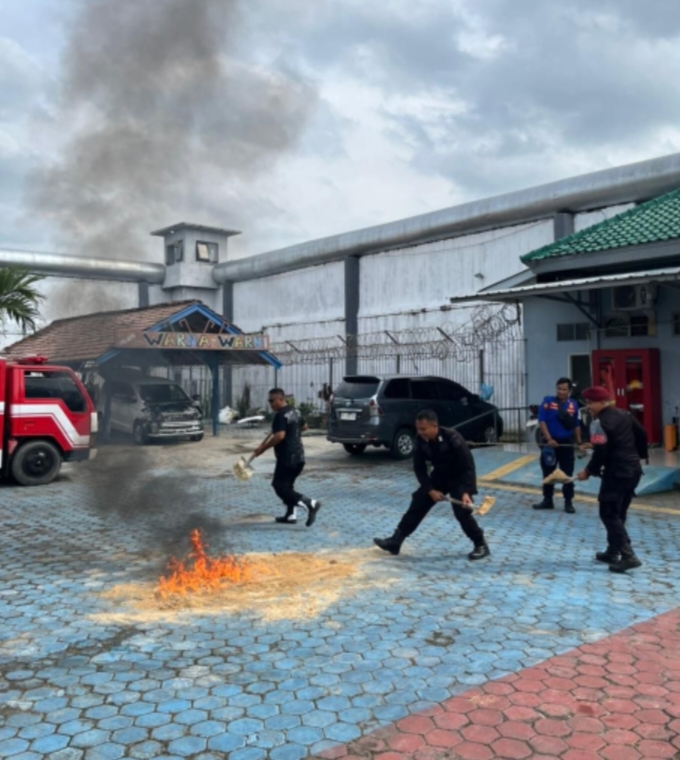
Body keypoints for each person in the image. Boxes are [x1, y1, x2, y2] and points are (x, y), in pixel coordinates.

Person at [373, 409, 490, 560]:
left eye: (423, 429)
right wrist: (430, 490)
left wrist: (467, 492)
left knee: (462, 512)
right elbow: (419, 469)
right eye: (418, 429)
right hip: (439, 476)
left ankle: (481, 544)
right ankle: (396, 541)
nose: (420, 432)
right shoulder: (420, 441)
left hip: (458, 478)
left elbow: (468, 465)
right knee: (419, 502)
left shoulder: (452, 437)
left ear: (434, 426)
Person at [576, 386, 648, 573]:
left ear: (603, 402)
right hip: (633, 471)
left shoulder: (598, 423)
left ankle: (628, 556)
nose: (588, 407)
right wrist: (637, 456)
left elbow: (600, 452)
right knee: (619, 512)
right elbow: (642, 434)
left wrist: (588, 471)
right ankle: (612, 551)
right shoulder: (625, 414)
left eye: (591, 403)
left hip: (617, 473)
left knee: (608, 513)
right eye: (587, 403)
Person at [252, 388, 321, 527]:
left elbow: (280, 436)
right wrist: (291, 428)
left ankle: (310, 503)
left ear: (281, 399)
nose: (270, 404)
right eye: (269, 401)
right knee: (288, 486)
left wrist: (263, 448)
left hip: (287, 457)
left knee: (279, 486)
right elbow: (305, 427)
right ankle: (291, 515)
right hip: (299, 456)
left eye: (272, 401)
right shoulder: (295, 411)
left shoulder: (280, 415)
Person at [534, 377, 583, 514]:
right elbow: (542, 421)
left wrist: (579, 443)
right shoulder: (547, 402)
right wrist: (549, 439)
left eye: (564, 389)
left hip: (566, 443)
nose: (561, 392)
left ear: (569, 391)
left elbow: (576, 425)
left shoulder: (573, 405)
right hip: (550, 444)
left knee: (567, 473)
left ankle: (568, 502)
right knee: (548, 472)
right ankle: (547, 500)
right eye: (559, 389)